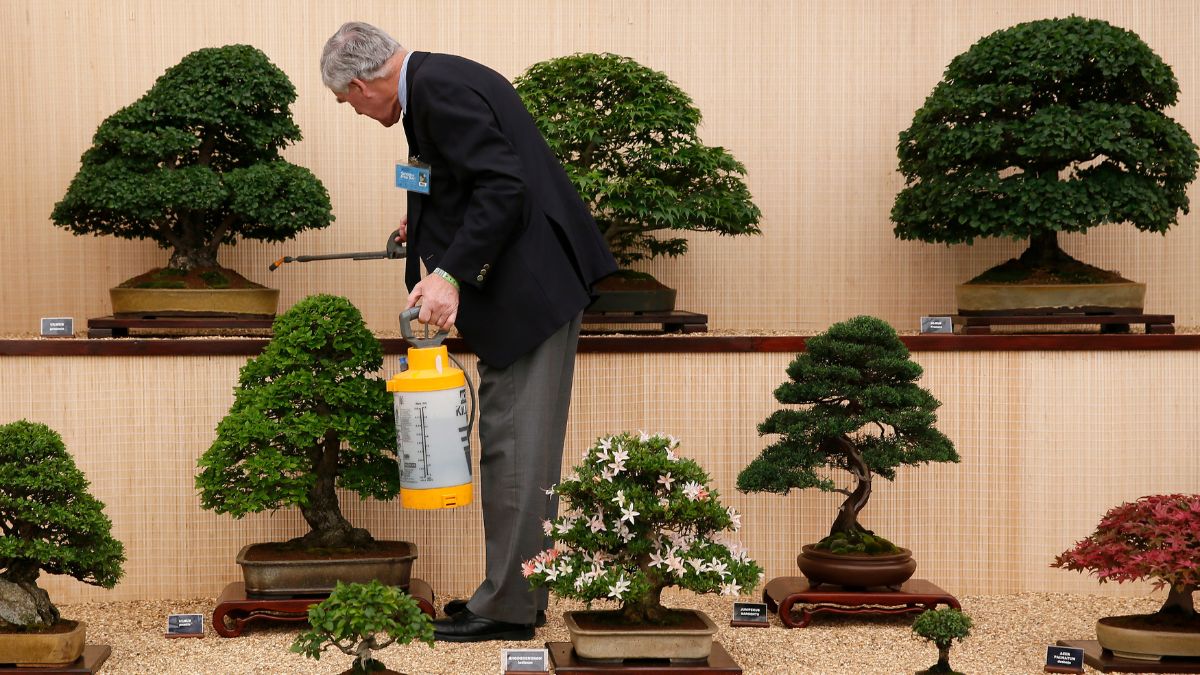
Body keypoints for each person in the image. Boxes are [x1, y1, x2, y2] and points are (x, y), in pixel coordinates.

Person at [320, 22, 617, 642]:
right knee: (525, 457)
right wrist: (422, 225)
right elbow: (468, 176)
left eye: (347, 101)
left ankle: (507, 608)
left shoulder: (436, 92)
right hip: (530, 289)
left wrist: (450, 271)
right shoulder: (435, 79)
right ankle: (520, 596)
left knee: (516, 453)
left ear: (359, 82)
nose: (354, 111)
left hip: (530, 296)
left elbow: (504, 186)